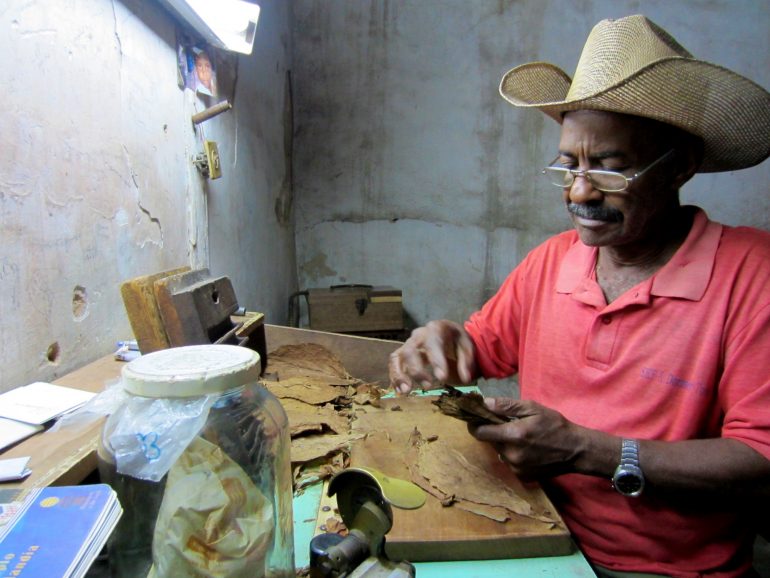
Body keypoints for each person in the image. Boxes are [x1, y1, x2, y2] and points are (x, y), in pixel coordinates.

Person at [389, 15, 770, 578]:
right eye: (567, 165)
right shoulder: (552, 260)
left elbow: (760, 458)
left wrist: (589, 452)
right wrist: (443, 343)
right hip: (533, 528)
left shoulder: (752, 275)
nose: (580, 191)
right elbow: (480, 349)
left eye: (611, 170)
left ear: (681, 165)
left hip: (665, 569)